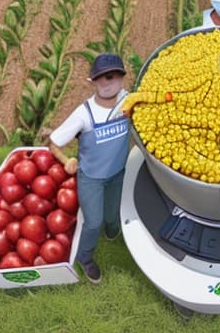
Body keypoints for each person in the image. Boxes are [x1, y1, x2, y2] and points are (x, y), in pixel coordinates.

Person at [48, 53, 130, 284]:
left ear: (122, 78)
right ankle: (85, 257)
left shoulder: (129, 103)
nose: (105, 82)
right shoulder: (84, 113)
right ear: (92, 82)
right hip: (91, 177)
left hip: (117, 173)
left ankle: (113, 232)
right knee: (93, 222)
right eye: (99, 78)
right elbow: (53, 142)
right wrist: (66, 160)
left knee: (114, 214)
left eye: (111, 76)